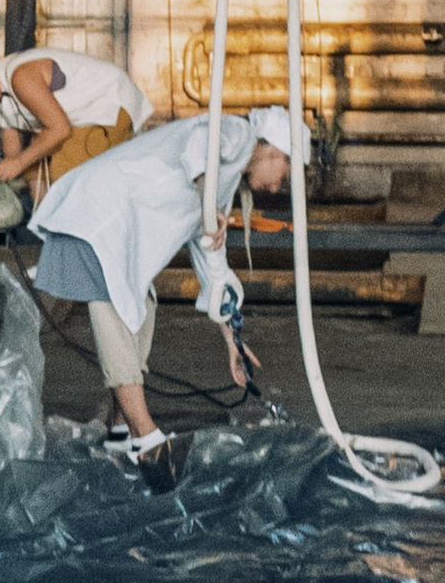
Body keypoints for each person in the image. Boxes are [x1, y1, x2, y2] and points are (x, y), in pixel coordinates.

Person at [30, 106, 308, 474]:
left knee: (141, 307)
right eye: (284, 173)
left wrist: (231, 339)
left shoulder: (226, 182)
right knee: (113, 311)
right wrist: (207, 202)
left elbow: (213, 263)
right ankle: (147, 439)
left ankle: (121, 427)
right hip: (97, 216)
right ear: (274, 151)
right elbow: (198, 146)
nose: (277, 185)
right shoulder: (236, 133)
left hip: (113, 230)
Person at [0, 40, 152, 232]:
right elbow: (19, 161)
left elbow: (60, 129)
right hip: (80, 120)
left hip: (110, 104)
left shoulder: (21, 77)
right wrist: (34, 199)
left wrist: (19, 164)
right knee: (41, 176)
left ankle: (95, 250)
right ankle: (58, 252)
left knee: (63, 174)